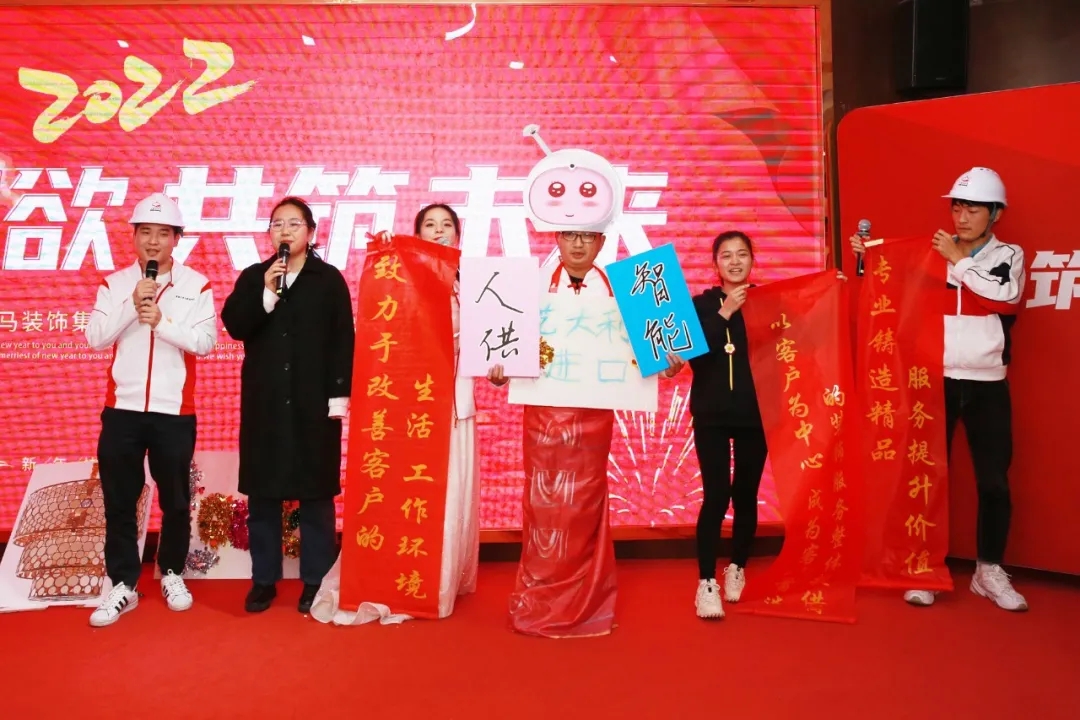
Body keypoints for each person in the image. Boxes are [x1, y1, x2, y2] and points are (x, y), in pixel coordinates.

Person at [488, 229, 686, 637]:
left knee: (585, 504)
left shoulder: (628, 290)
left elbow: (656, 357)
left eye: (587, 237)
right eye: (570, 236)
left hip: (594, 417)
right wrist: (498, 370)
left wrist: (669, 364)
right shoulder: (529, 287)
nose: (578, 245)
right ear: (557, 239)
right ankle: (538, 597)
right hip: (543, 416)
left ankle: (585, 600)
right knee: (542, 505)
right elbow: (504, 356)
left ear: (600, 243)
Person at [850, 166, 1027, 611]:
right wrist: (869, 258)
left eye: (973, 209)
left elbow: (1005, 297)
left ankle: (988, 570)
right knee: (925, 480)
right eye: (957, 208)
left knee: (994, 483)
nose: (962, 217)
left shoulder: (1009, 254)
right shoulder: (929, 253)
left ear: (996, 214)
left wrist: (958, 261)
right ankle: (923, 568)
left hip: (988, 383)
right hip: (934, 381)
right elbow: (894, 288)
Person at [309, 203, 480, 624]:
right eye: (429, 226)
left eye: (446, 225)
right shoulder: (405, 279)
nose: (438, 232)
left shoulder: (475, 283)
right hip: (414, 406)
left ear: (458, 235)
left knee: (448, 493)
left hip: (454, 402)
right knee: (412, 494)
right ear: (417, 234)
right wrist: (387, 261)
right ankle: (396, 578)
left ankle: (438, 584)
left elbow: (491, 347)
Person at [85, 192, 217, 627]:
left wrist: (163, 322)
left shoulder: (197, 285)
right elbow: (96, 337)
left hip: (173, 412)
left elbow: (205, 343)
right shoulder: (115, 284)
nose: (154, 241)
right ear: (134, 237)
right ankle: (123, 583)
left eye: (163, 233)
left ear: (177, 239)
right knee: (119, 500)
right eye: (145, 232)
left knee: (175, 499)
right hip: (121, 411)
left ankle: (173, 572)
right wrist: (132, 304)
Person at [221, 196, 355, 615]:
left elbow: (343, 340)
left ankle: (315, 580)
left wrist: (339, 397)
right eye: (278, 224)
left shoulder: (328, 279)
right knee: (263, 495)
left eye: (294, 224)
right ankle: (264, 580)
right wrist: (266, 291)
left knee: (316, 494)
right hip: (265, 404)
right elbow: (235, 325)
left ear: (310, 233)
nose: (285, 231)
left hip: (313, 404)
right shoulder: (254, 277)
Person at [677, 230, 767, 620]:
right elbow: (694, 354)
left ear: (752, 260)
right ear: (715, 263)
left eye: (742, 254)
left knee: (746, 494)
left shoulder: (769, 302)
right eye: (726, 255)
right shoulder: (699, 305)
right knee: (716, 495)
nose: (734, 262)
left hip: (756, 414)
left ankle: (737, 567)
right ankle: (706, 582)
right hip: (711, 415)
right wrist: (726, 311)